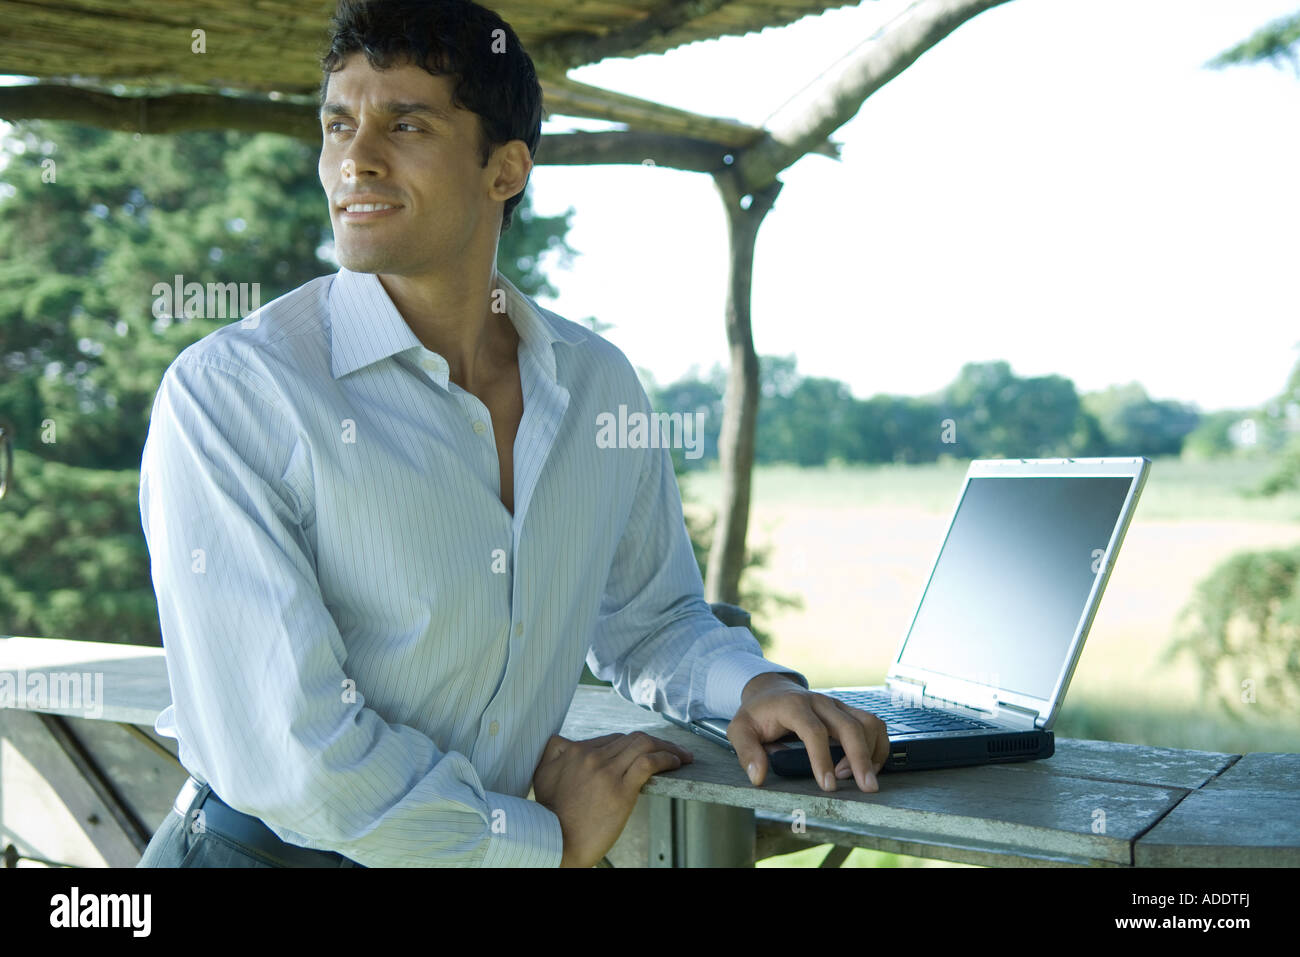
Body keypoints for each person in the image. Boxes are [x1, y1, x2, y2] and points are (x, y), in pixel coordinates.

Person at [136, 0, 888, 869]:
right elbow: (295, 759)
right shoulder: (233, 393)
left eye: (405, 123)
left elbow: (652, 619)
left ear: (505, 169)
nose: (355, 158)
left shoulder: (596, 383)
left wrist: (753, 687)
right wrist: (549, 844)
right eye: (338, 124)